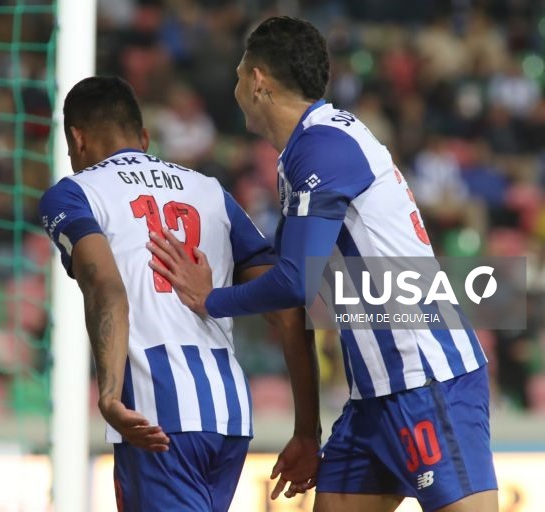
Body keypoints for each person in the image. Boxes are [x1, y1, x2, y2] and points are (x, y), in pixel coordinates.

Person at [148, 16, 498, 512]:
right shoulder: (304, 153)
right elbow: (297, 305)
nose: (235, 87)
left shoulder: (323, 148)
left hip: (428, 378)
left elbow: (294, 284)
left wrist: (209, 299)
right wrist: (307, 431)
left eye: (238, 74)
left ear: (258, 80)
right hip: (371, 396)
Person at [39, 75, 321, 511]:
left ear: (76, 139)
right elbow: (288, 310)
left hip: (157, 414)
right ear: (145, 137)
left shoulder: (75, 193)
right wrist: (307, 430)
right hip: (228, 415)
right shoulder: (211, 191)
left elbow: (105, 287)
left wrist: (110, 395)